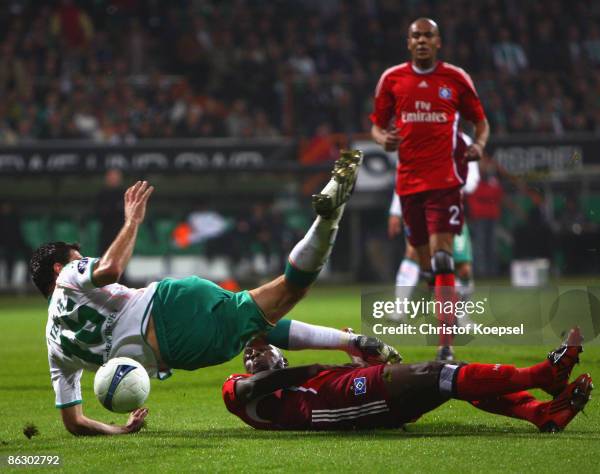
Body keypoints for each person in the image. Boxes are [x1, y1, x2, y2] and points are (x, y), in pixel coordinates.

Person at [30, 152, 401, 436]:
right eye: (79, 259)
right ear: (59, 269)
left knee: (291, 288)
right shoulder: (71, 276)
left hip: (178, 340)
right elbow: (108, 271)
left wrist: (119, 429)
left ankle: (328, 219)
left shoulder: (55, 349)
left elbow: (74, 421)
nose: (85, 263)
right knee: (257, 319)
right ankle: (350, 341)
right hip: (176, 297)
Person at [370, 18, 490, 361]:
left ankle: (446, 347)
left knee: (442, 259)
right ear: (408, 43)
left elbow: (481, 123)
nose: (422, 40)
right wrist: (384, 139)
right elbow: (377, 126)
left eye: (428, 35)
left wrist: (479, 145)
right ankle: (440, 305)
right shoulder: (392, 79)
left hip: (445, 184)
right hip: (408, 186)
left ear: (438, 42)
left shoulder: (455, 79)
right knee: (427, 267)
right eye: (416, 36)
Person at [223, 328, 592, 433]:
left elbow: (328, 384)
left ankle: (540, 412)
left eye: (261, 350)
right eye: (249, 354)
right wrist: (314, 365)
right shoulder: (240, 387)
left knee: (450, 378)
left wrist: (353, 358)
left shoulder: (303, 384)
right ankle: (543, 375)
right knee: (438, 375)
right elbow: (253, 387)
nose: (253, 355)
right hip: (349, 404)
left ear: (281, 356)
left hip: (356, 399)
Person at [388, 132, 480, 318]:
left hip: (451, 209)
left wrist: (451, 183)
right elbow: (404, 178)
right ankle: (399, 309)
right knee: (413, 253)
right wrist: (395, 212)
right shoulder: (415, 136)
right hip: (422, 208)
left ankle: (462, 317)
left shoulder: (464, 141)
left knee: (463, 268)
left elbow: (472, 180)